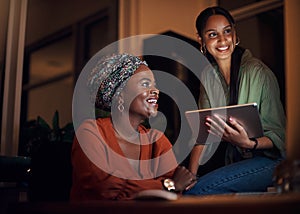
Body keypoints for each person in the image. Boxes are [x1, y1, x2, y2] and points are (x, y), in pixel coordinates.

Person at [184, 6, 286, 195]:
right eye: (213, 34)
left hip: (271, 161)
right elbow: (203, 134)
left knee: (198, 192)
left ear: (234, 32)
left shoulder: (257, 72)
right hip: (239, 161)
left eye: (227, 31)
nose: (222, 40)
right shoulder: (209, 76)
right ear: (202, 40)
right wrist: (190, 176)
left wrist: (248, 143)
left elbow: (280, 135)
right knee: (187, 190)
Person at [70, 53, 196, 201]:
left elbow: (176, 192)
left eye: (154, 84)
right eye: (145, 84)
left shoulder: (156, 139)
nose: (156, 91)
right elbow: (104, 188)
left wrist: (168, 186)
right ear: (120, 94)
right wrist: (166, 185)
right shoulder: (90, 132)